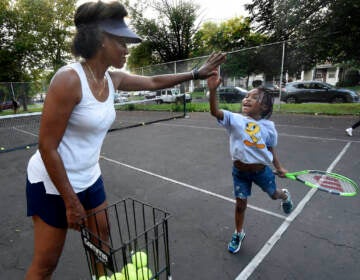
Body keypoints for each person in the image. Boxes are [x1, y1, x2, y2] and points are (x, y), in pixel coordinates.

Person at [25, 1, 226, 279]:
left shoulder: (112, 79)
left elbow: (154, 82)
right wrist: (71, 202)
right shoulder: (68, 80)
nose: (127, 49)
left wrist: (196, 73)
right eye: (121, 41)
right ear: (100, 40)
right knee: (46, 265)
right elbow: (47, 147)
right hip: (53, 184)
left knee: (101, 243)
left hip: (90, 177)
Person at [207, 72, 294, 254]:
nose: (246, 99)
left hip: (262, 172)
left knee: (273, 194)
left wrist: (279, 167)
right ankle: (239, 232)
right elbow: (215, 111)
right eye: (246, 96)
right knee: (240, 204)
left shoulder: (269, 128)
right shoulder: (235, 119)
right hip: (239, 172)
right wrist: (212, 90)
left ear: (263, 107)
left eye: (253, 97)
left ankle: (284, 196)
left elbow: (270, 148)